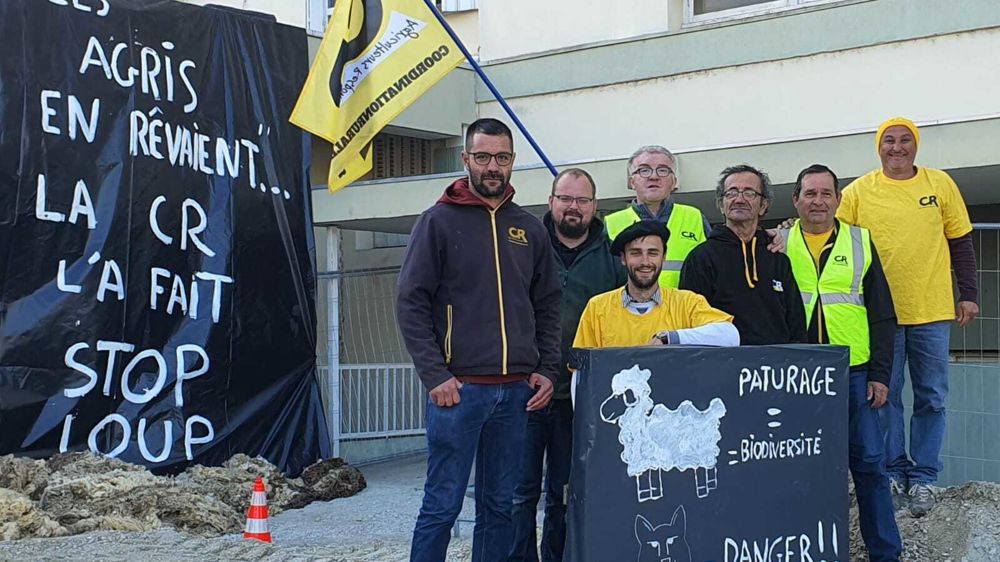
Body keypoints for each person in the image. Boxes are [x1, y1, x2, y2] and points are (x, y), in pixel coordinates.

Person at [397, 118, 562, 562]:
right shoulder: (436, 222)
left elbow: (548, 305)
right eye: (484, 156)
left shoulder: (529, 228)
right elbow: (410, 303)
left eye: (502, 157)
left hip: (515, 395)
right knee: (442, 505)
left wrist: (546, 369)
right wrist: (435, 375)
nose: (493, 166)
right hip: (458, 393)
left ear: (512, 162)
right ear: (466, 159)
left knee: (500, 507)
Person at [837, 117, 978, 516]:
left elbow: (961, 240)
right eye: (888, 141)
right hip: (881, 314)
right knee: (886, 396)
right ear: (878, 147)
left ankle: (925, 478)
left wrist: (968, 294)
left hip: (931, 310)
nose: (896, 148)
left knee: (931, 397)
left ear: (915, 146)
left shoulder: (939, 184)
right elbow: (828, 225)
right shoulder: (860, 190)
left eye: (904, 140)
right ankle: (894, 472)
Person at [787, 164, 903, 561]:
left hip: (853, 373)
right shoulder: (779, 243)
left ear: (838, 200)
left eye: (825, 193)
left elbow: (883, 314)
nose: (817, 201)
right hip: (797, 375)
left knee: (870, 465)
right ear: (796, 200)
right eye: (809, 193)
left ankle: (886, 553)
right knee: (803, 467)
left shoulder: (860, 242)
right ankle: (808, 550)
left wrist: (882, 375)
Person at [509, 168, 625, 562]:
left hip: (577, 398)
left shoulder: (613, 257)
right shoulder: (523, 247)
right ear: (551, 202)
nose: (573, 207)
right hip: (524, 391)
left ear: (594, 207)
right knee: (519, 493)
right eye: (565, 199)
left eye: (582, 201)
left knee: (563, 493)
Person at [679, 164, 807, 345]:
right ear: (721, 205)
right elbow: (690, 322)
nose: (739, 199)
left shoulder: (778, 258)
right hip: (724, 366)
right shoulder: (701, 258)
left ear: (763, 205)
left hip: (775, 367)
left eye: (749, 193)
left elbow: (796, 323)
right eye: (731, 193)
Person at [573, 220, 740, 350]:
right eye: (636, 253)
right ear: (623, 258)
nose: (645, 262)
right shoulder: (598, 308)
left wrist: (669, 338)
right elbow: (581, 370)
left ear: (664, 256)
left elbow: (730, 336)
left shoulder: (687, 303)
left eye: (653, 253)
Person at [603, 145, 711, 289]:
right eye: (644, 170)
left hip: (684, 309)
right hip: (629, 309)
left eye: (662, 170)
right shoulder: (611, 223)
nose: (654, 176)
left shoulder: (695, 217)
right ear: (631, 182)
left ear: (673, 181)